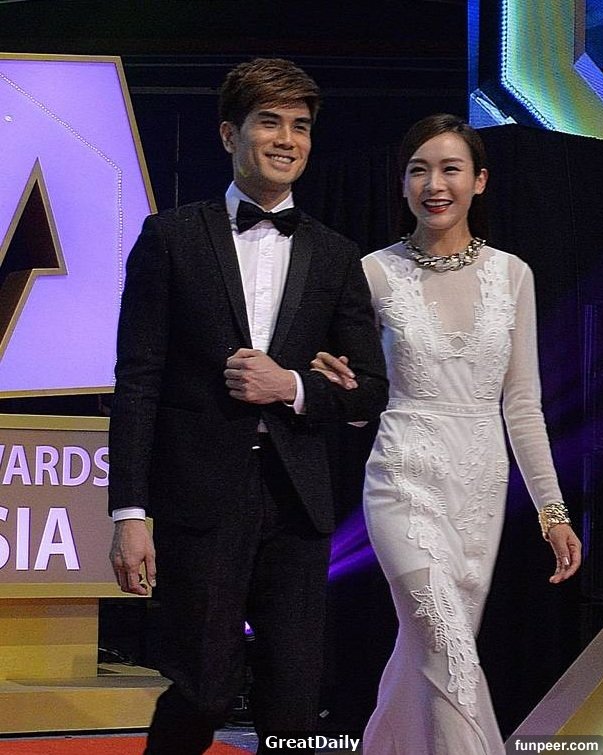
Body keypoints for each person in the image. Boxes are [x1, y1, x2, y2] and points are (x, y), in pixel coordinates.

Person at [107, 57, 388, 755]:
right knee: (203, 686)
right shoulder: (170, 237)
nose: (287, 139)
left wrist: (289, 385)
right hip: (200, 496)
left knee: (293, 700)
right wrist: (129, 513)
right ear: (230, 133)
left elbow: (370, 388)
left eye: (301, 125)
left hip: (297, 501)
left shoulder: (335, 253)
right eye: (270, 122)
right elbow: (137, 381)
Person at [311, 114, 582, 754]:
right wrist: (340, 391)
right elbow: (362, 400)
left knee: (425, 659)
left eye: (450, 169)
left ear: (479, 181)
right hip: (402, 477)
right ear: (403, 183)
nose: (434, 185)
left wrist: (552, 512)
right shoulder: (374, 272)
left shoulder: (513, 275)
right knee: (447, 648)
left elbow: (523, 406)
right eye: (418, 171)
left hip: (480, 489)